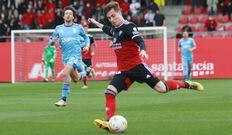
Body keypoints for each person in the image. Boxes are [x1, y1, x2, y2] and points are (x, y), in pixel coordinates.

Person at [88, 1, 204, 132]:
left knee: (162, 88)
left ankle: (186, 84)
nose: (112, 19)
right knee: (109, 92)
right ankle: (109, 123)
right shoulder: (115, 30)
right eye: (109, 18)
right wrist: (95, 23)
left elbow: (139, 40)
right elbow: (107, 29)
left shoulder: (128, 27)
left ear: (120, 12)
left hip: (138, 67)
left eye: (113, 16)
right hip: (124, 71)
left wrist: (143, 50)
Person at [50, 6, 90, 107]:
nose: (68, 15)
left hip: (75, 56)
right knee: (76, 79)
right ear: (63, 16)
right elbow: (51, 41)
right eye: (66, 13)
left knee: (65, 73)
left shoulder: (78, 28)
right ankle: (87, 72)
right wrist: (53, 43)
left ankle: (63, 100)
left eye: (70, 13)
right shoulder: (58, 29)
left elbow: (86, 37)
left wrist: (87, 46)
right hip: (65, 58)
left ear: (73, 17)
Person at [81, 24, 96, 89]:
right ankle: (85, 85)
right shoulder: (80, 36)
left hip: (88, 56)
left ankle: (90, 71)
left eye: (86, 28)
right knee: (83, 71)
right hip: (81, 56)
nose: (85, 30)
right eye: (84, 28)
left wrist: (93, 51)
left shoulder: (90, 37)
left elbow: (95, 44)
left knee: (87, 71)